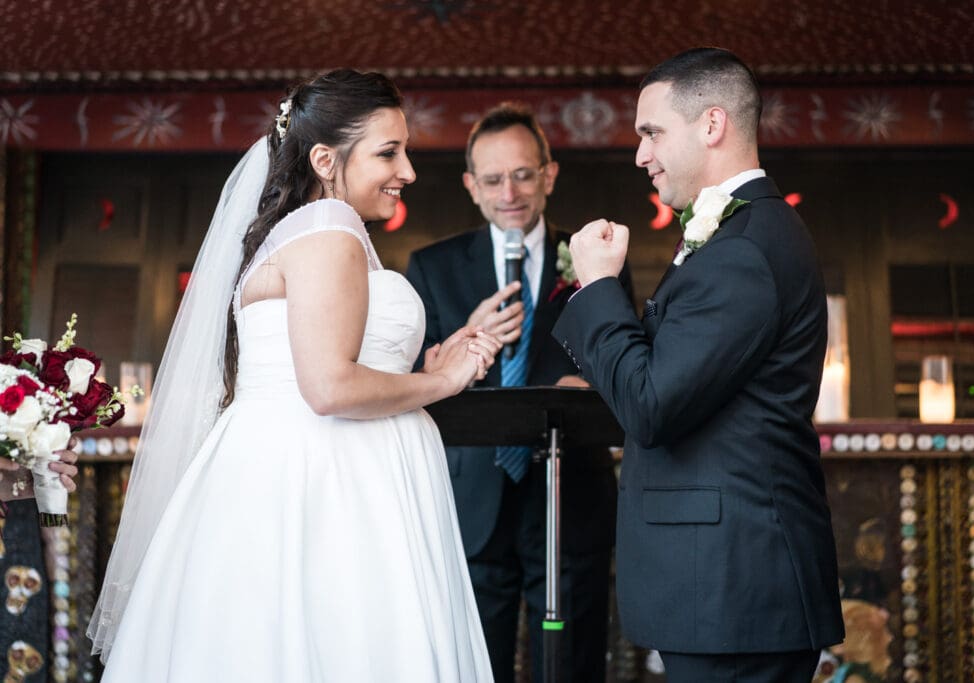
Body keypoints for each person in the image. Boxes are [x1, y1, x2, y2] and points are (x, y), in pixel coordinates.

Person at [87, 69, 499, 682]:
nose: (408, 171)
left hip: (293, 464)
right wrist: (441, 384)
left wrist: (419, 367)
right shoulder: (328, 229)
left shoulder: (307, 232)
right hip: (331, 478)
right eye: (389, 152)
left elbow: (330, 361)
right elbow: (329, 387)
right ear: (326, 159)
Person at [552, 48, 845, 682]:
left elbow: (652, 406)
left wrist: (599, 288)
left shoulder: (745, 248)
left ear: (712, 125)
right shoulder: (739, 238)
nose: (640, 155)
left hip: (734, 586)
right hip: (722, 587)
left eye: (651, 132)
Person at [406, 102, 632, 683]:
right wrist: (461, 346)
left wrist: (594, 383)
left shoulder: (595, 260)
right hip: (473, 500)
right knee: (475, 664)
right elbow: (409, 384)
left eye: (524, 174)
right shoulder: (431, 268)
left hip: (571, 494)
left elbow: (627, 361)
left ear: (549, 175)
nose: (509, 191)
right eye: (493, 178)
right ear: (471, 187)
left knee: (574, 664)